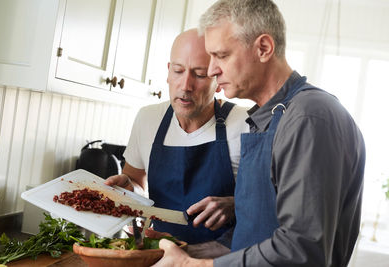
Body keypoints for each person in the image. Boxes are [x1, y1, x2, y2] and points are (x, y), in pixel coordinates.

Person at [153, 0, 366, 266]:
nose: (211, 70)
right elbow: (251, 236)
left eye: (221, 55)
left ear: (263, 48)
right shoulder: (269, 117)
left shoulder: (308, 117)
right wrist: (182, 254)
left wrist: (191, 266)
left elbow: (300, 250)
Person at [105, 28, 249, 246]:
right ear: (168, 71)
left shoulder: (245, 124)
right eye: (178, 71)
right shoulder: (148, 118)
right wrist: (129, 188)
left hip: (221, 259)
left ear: (219, 79)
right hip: (162, 254)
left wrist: (235, 205)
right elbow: (135, 181)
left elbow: (269, 205)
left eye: (200, 74)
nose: (185, 86)